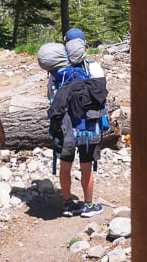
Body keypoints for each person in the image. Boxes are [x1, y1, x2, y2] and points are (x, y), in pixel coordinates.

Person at [46, 28, 106, 218]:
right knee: (86, 166)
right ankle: (88, 205)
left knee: (65, 165)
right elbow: (101, 97)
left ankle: (67, 205)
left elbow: (50, 96)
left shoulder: (56, 72)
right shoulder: (93, 67)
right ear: (83, 44)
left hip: (64, 129)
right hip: (88, 128)